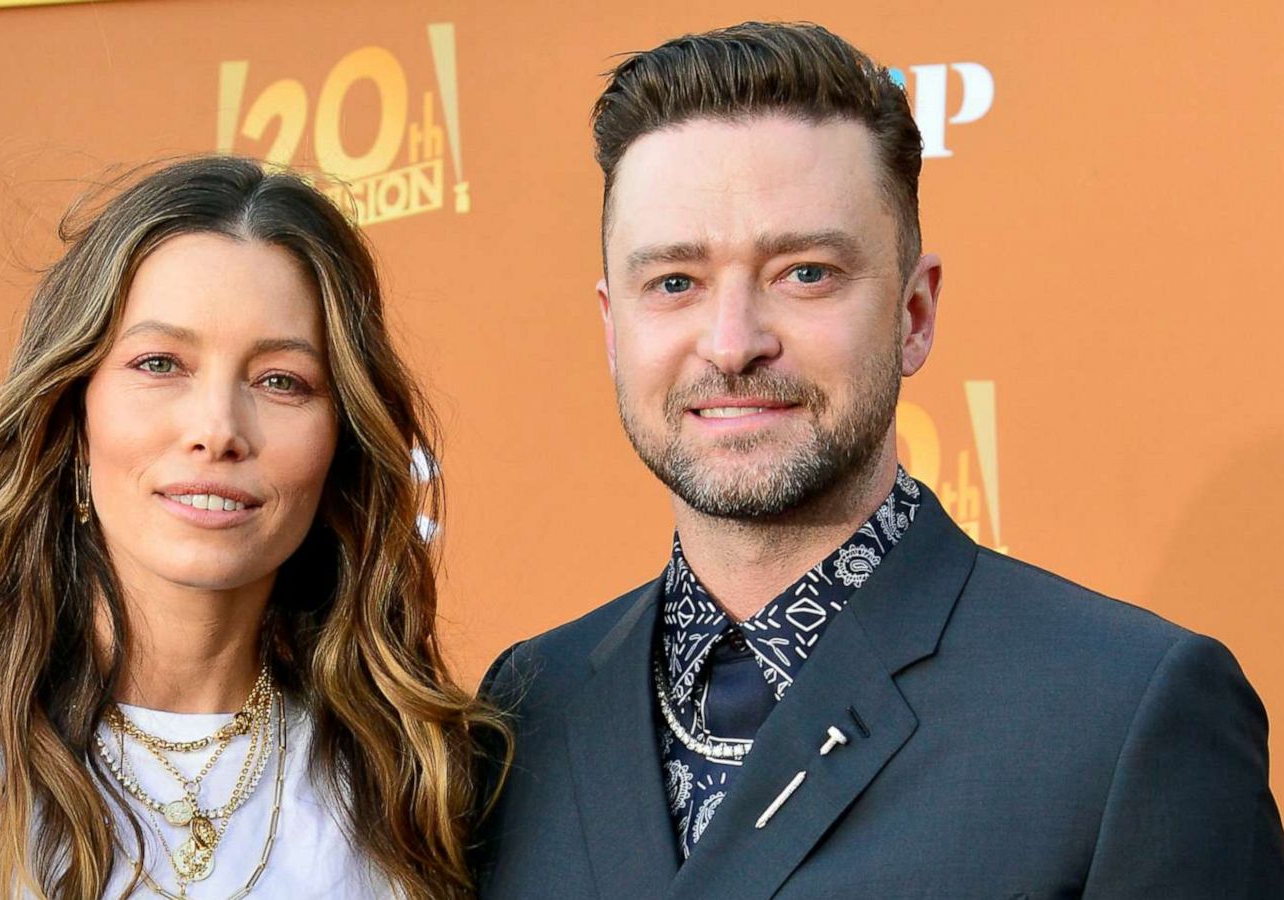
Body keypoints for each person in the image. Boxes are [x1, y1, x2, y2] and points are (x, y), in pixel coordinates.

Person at [474, 21, 1284, 898]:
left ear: (914, 314)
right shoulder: (524, 709)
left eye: (806, 273)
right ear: (611, 327)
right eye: (675, 282)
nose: (733, 341)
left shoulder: (1124, 712)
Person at [0, 156, 506, 900]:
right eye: (160, 364)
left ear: (342, 437)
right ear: (73, 414)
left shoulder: (423, 781)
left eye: (281, 380)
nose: (216, 429)